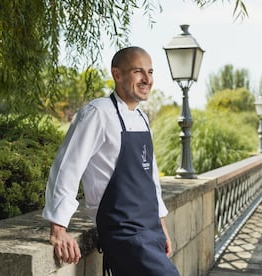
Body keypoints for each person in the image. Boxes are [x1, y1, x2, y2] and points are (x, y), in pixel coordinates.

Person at [42, 46, 180, 275]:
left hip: (149, 231)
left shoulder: (142, 118)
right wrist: (58, 227)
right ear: (117, 74)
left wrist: (161, 225)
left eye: (151, 72)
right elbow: (67, 167)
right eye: (138, 71)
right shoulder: (98, 113)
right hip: (123, 232)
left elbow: (150, 177)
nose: (147, 79)